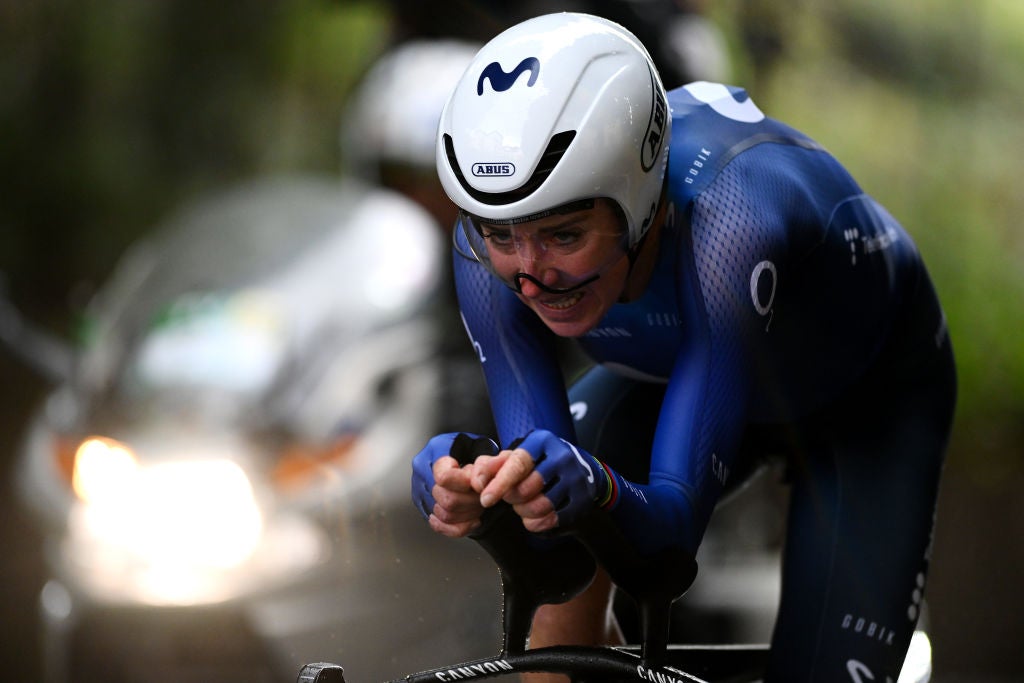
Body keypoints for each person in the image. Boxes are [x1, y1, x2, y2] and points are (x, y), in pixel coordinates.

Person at [411, 13, 956, 683]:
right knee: (555, 618)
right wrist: (474, 490)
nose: (530, 273)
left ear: (640, 197)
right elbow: (550, 546)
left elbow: (668, 551)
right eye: (502, 235)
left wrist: (593, 484)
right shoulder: (481, 245)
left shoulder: (730, 220)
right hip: (680, 367)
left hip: (868, 398)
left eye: (563, 234)